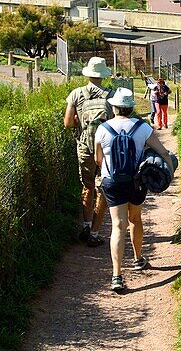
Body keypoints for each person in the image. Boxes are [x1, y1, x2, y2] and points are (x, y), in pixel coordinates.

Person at [94, 88, 176, 294]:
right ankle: (138, 259)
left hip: (112, 182)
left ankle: (116, 275)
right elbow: (163, 152)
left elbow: (98, 159)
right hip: (135, 181)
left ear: (113, 107)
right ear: (131, 108)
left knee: (118, 226)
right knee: (135, 220)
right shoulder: (142, 127)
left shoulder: (103, 129)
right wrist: (169, 170)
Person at [64, 56, 113, 246]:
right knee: (102, 188)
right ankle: (94, 233)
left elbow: (67, 123)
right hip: (106, 148)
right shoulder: (111, 95)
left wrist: (80, 121)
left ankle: (85, 225)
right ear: (103, 75)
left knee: (88, 185)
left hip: (84, 146)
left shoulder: (76, 94)